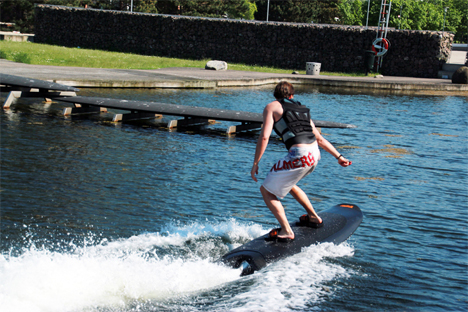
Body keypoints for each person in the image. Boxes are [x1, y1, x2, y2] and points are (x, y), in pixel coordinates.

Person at [250, 81, 351, 242]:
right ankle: (313, 217)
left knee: (266, 190)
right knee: (288, 183)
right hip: (314, 154)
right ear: (292, 96)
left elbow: (264, 136)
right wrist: (339, 157)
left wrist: (256, 163)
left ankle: (286, 230)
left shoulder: (271, 107)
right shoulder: (302, 110)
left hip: (299, 154)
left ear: (275, 95)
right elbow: (319, 138)